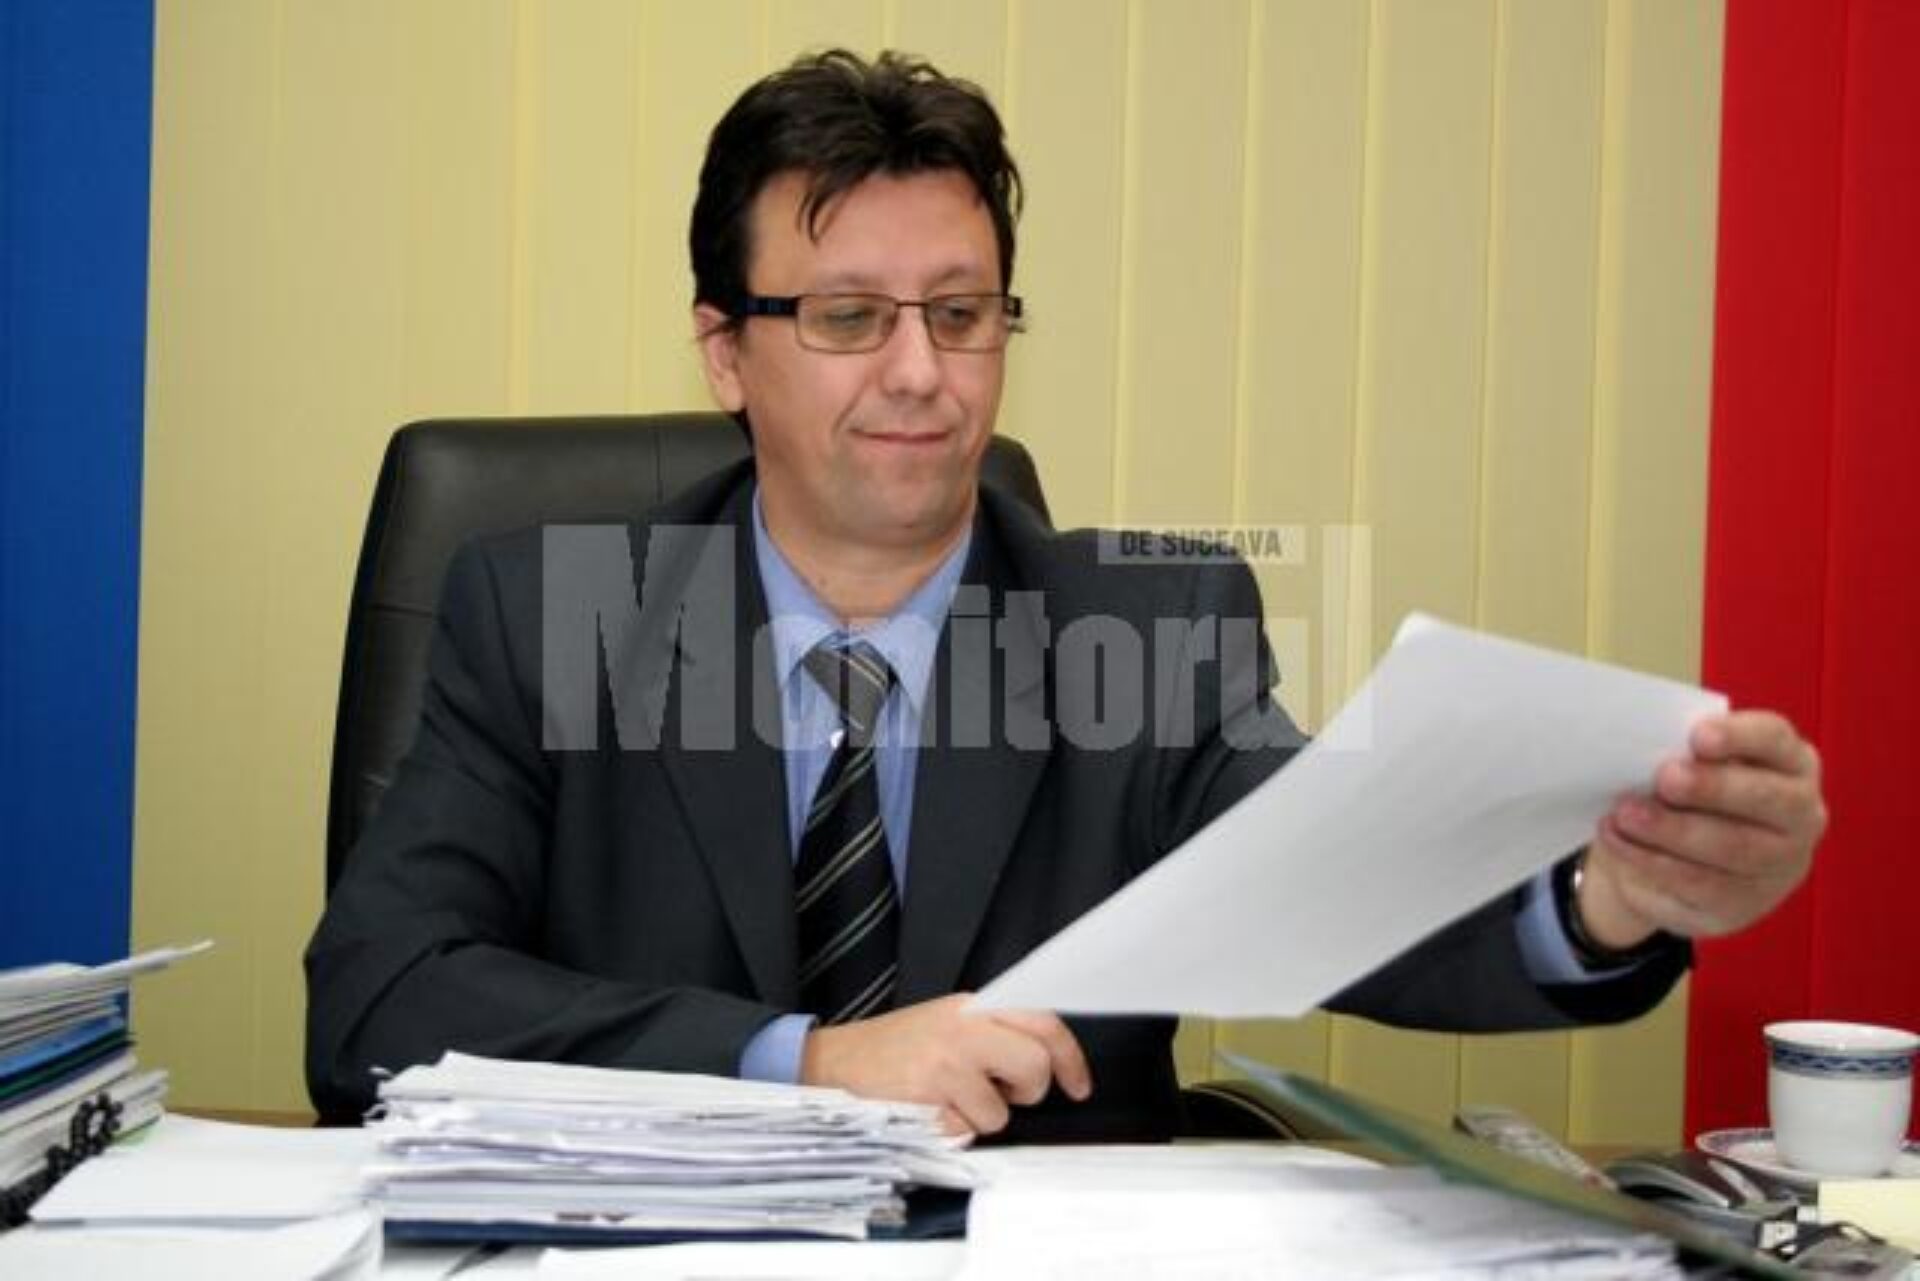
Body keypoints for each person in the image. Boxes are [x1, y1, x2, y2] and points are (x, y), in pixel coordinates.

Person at [305, 50, 1826, 1142]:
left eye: (961, 312)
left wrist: (1605, 900)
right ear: (725, 352)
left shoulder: (1150, 628)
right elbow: (380, 999)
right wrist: (802, 1060)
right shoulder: (549, 616)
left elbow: (1339, 891)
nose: (921, 372)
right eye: (850, 317)